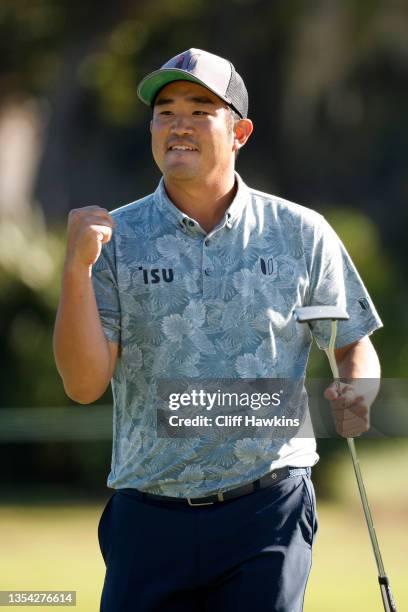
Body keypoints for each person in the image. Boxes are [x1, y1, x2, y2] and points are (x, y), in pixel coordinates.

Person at [53, 48, 382, 612]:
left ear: (240, 132)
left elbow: (352, 343)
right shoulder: (113, 238)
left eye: (200, 109)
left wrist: (360, 387)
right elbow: (84, 385)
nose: (178, 123)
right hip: (149, 513)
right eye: (165, 111)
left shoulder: (301, 232)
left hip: (269, 509)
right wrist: (76, 269)